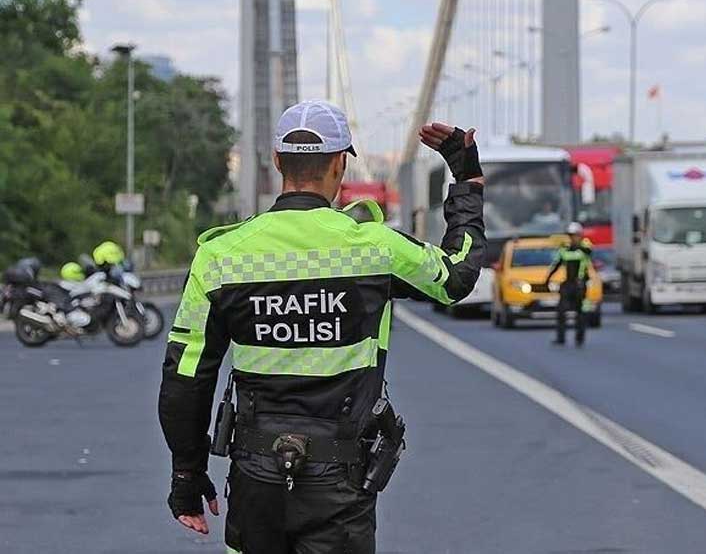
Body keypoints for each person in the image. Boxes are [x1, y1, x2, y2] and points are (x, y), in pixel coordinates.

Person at [157, 99, 486, 553]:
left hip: (255, 477)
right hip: (341, 482)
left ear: (277, 162)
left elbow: (186, 376)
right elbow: (457, 276)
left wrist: (186, 475)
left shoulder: (221, 256)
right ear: (339, 164)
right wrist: (466, 180)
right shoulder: (374, 247)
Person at [544, 222, 592, 347]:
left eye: (575, 235)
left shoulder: (584, 249)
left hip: (580, 284)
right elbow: (556, 265)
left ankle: (579, 338)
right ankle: (561, 338)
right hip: (568, 284)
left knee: (580, 312)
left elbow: (589, 251)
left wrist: (581, 246)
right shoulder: (564, 251)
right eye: (571, 235)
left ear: (580, 235)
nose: (573, 238)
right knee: (561, 311)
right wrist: (547, 279)